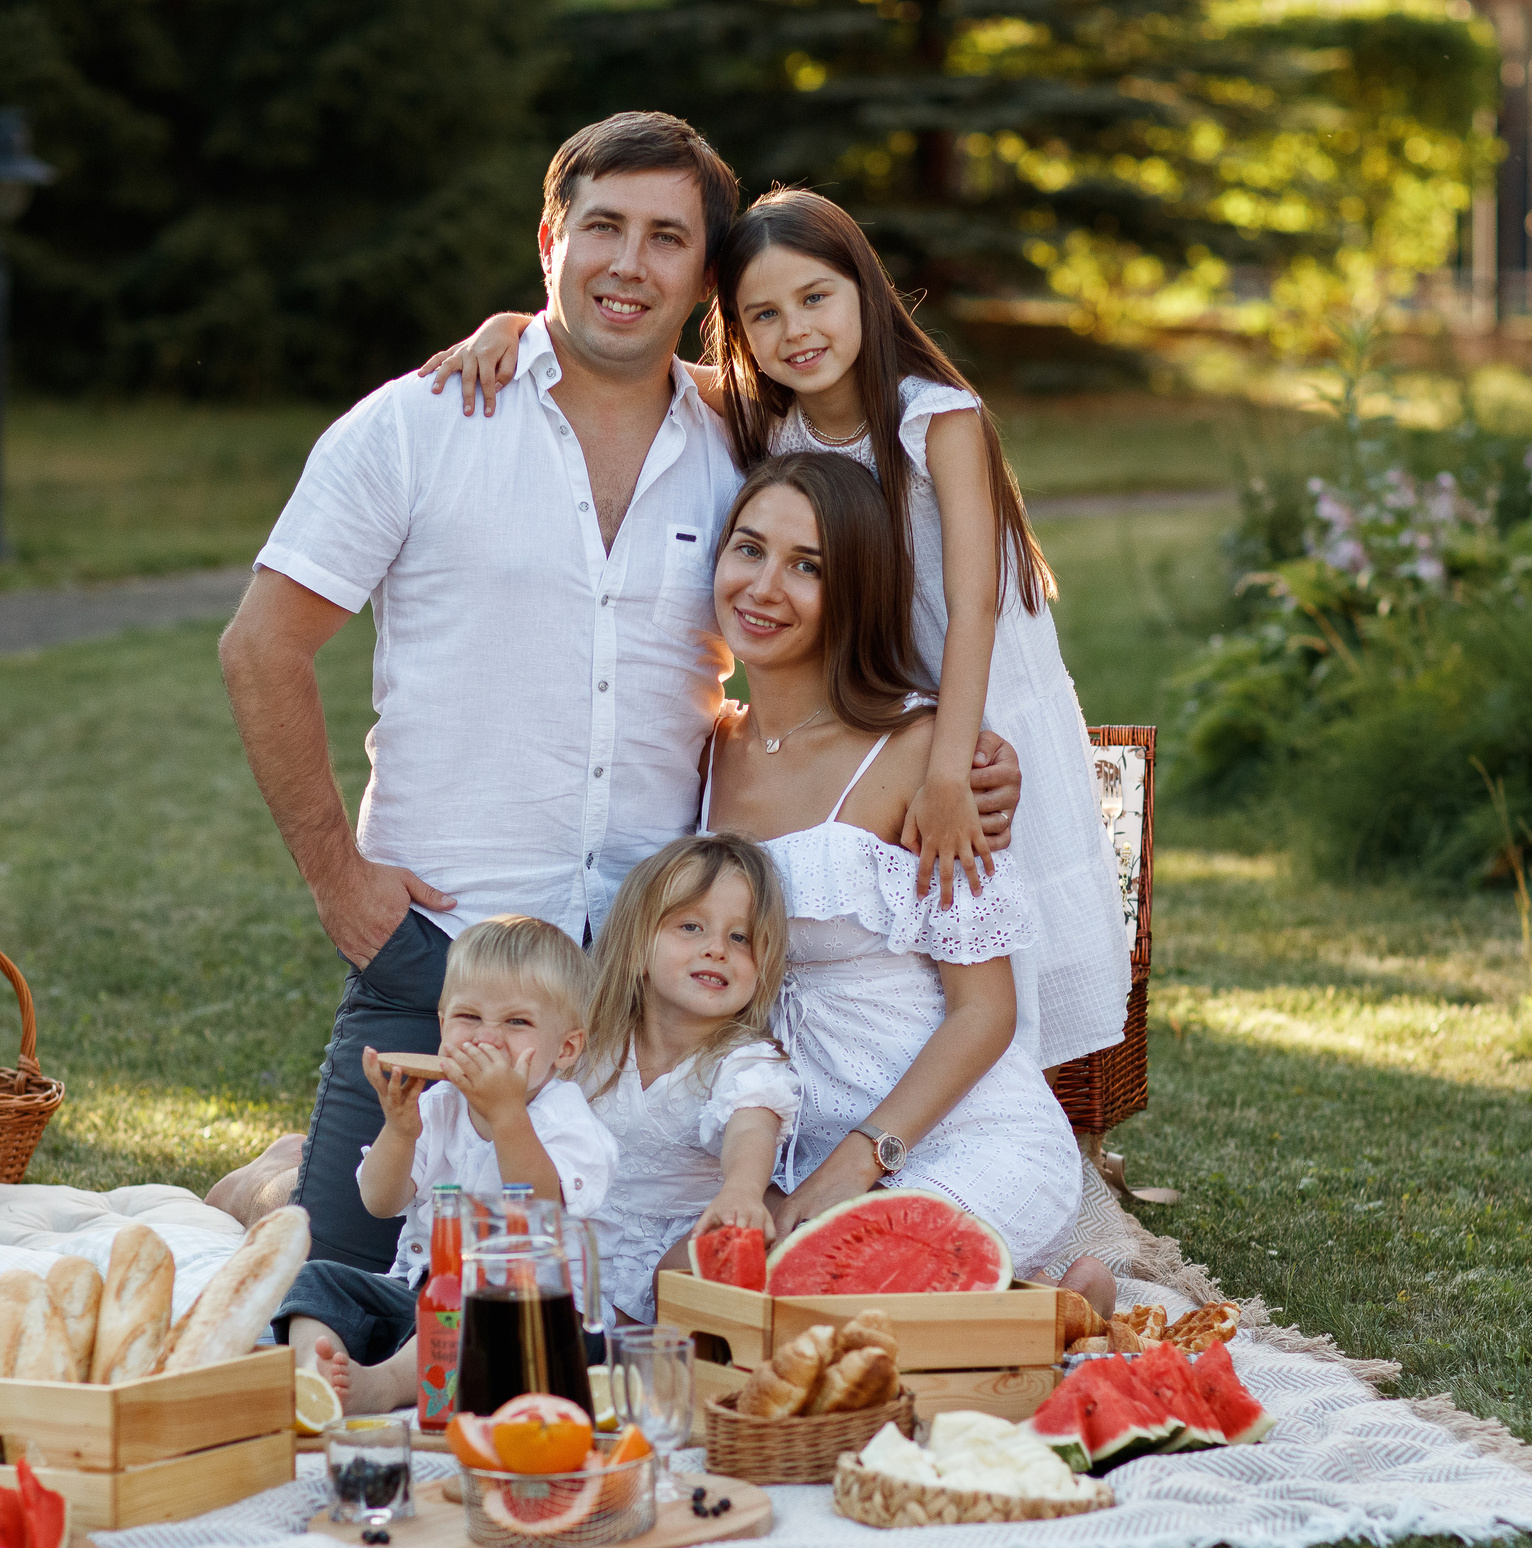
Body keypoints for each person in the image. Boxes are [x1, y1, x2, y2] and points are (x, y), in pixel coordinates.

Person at [214, 112, 1026, 1270]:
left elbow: (850, 574)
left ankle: (301, 1171)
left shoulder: (747, 442)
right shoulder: (420, 422)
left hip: (662, 981)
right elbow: (259, 649)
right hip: (446, 951)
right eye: (602, 228)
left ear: (703, 276)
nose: (627, 265)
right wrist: (341, 881)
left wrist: (951, 752)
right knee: (349, 1282)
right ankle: (286, 1180)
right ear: (549, 236)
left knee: (644, 1300)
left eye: (665, 239)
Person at [423, 187, 1129, 1072]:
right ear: (741, 334)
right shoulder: (775, 419)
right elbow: (640, 366)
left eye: (816, 298)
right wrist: (520, 330)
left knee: (1001, 908)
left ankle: (1059, 1125)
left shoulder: (937, 418)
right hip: (885, 700)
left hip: (984, 690)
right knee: (912, 924)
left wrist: (950, 763)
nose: (796, 329)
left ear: (864, 290)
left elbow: (976, 603)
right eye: (763, 315)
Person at [698, 450, 1114, 1314]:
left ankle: (1054, 1324)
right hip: (787, 1146)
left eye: (807, 566)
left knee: (832, 1307)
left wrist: (863, 1158)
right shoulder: (704, 751)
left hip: (958, 1132)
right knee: (697, 1298)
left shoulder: (922, 756)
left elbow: (986, 1009)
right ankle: (1038, 1307)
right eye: (749, 549)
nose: (764, 586)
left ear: (854, 591)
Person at [276, 916, 616, 1414]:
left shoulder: (566, 1120)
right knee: (318, 1279)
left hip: (535, 1321)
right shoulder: (438, 1105)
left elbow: (542, 1200)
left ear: (565, 1048)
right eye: (468, 1017)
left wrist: (506, 1113)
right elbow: (379, 1200)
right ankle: (317, 1375)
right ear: (441, 1026)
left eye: (516, 1022)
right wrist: (400, 1131)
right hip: (421, 1296)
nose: (487, 1038)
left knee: (467, 1308)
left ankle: (382, 1387)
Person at [574, 834, 800, 1326]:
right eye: (691, 926)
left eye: (740, 937)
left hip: (678, 1252)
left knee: (683, 1274)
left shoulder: (743, 1060)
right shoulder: (590, 1045)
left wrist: (742, 1189)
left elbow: (752, 1124)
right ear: (636, 948)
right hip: (581, 1242)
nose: (716, 949)